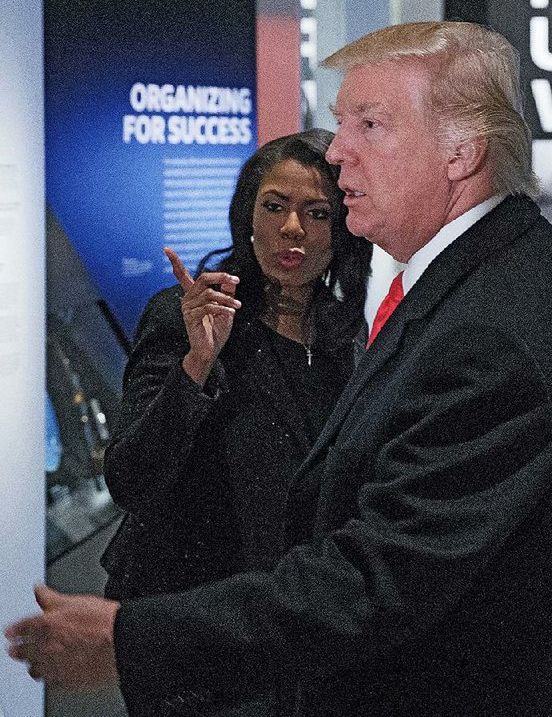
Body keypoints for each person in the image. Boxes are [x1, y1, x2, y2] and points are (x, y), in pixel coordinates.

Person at [6, 22, 552, 717]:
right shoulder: (492, 283)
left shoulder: (490, 329)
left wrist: (129, 639)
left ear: (462, 153)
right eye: (340, 124)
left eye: (370, 124)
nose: (339, 152)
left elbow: (379, 580)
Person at [103, 128, 370, 713]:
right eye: (274, 207)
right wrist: (198, 363)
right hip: (192, 625)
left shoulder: (343, 333)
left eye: (316, 212)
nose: (292, 228)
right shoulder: (191, 315)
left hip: (286, 627)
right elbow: (131, 479)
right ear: (247, 216)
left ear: (343, 227)